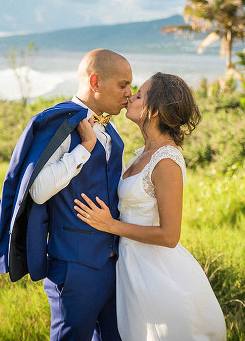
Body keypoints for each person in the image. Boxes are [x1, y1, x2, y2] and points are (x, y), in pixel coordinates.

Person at [0, 48, 133, 341]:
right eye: (123, 85)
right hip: (75, 265)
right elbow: (39, 190)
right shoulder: (63, 124)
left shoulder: (109, 124)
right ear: (95, 83)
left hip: (113, 261)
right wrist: (85, 148)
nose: (130, 93)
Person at [74, 72, 227, 341]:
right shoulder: (142, 153)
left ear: (153, 110)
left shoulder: (166, 160)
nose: (130, 96)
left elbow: (170, 236)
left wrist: (111, 225)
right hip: (131, 268)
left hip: (158, 274)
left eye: (140, 95)